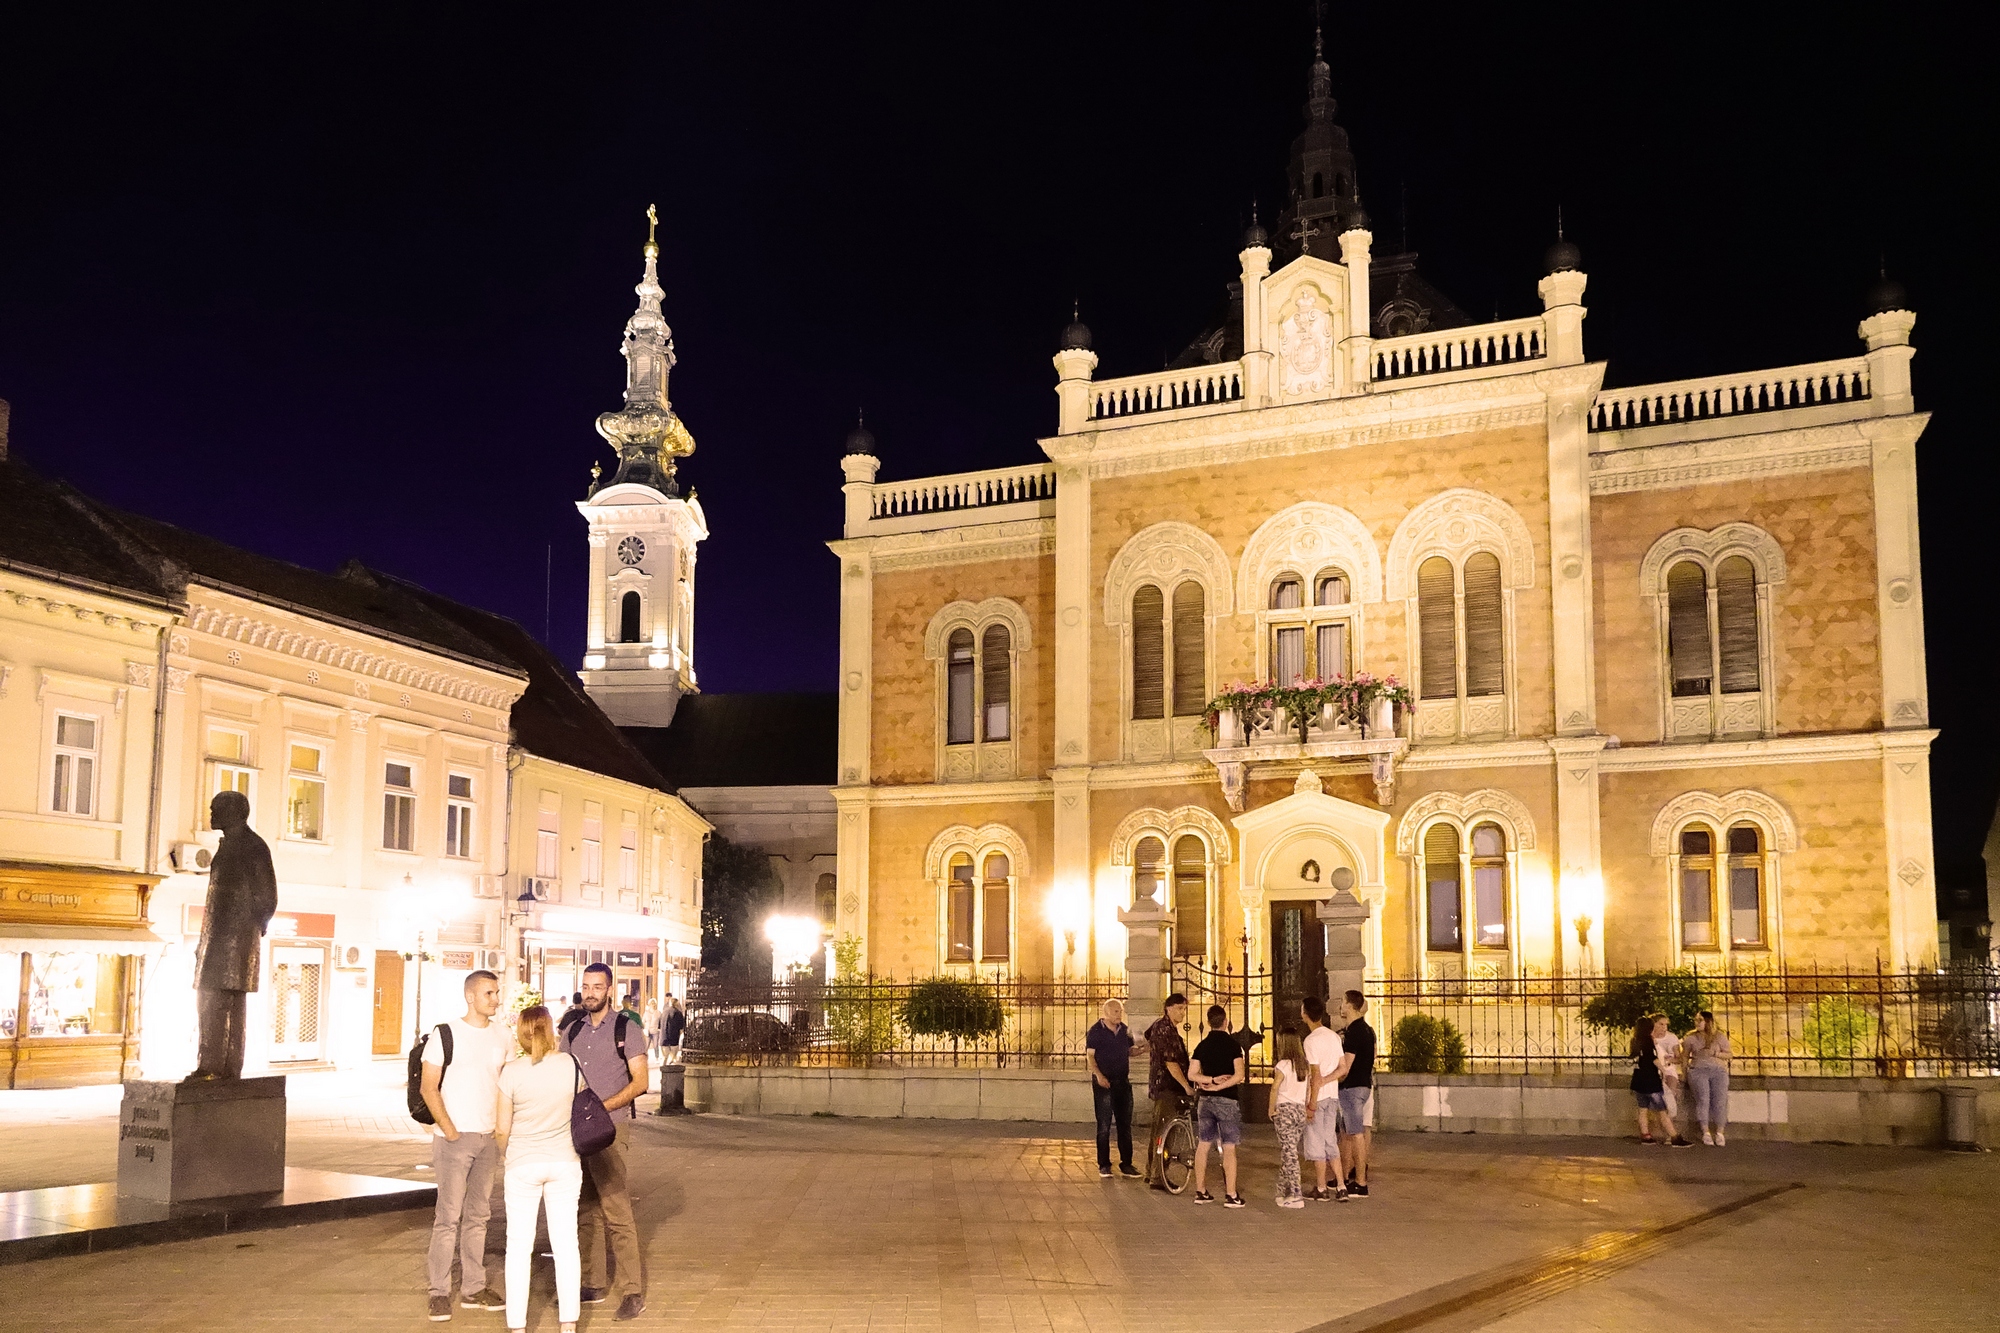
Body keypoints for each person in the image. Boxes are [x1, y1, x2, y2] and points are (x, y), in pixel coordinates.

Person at [558, 962, 651, 1320]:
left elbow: (639, 1082)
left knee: (616, 1210)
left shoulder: (627, 1028)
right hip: (575, 1129)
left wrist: (601, 1108)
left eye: (597, 987)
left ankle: (632, 1290)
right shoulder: (572, 1029)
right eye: (586, 986)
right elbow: (558, 1071)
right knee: (584, 1207)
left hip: (609, 1129)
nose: (590, 993)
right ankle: (593, 1282)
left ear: (609, 989)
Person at [419, 969, 511, 1322]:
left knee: (479, 1216)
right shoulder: (446, 1034)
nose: (496, 999)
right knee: (448, 1217)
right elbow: (430, 1087)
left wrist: (502, 1135)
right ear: (470, 996)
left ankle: (473, 1287)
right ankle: (438, 1291)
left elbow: (507, 1088)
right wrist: (449, 1130)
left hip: (488, 1138)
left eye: (497, 992)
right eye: (489, 993)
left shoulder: (503, 1037)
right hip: (454, 1139)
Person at [496, 1005, 581, 1333]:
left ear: (522, 1031)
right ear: (550, 1030)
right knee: (565, 1244)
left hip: (522, 1164)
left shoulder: (511, 1072)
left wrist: (506, 1155)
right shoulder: (571, 1066)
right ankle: (568, 1325)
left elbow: (502, 1128)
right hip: (564, 1162)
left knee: (518, 1246)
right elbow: (580, 1110)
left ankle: (517, 1326)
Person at [190, 789, 278, 1079]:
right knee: (211, 1000)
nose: (211, 813)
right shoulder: (228, 846)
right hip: (218, 939)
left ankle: (218, 1067)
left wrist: (251, 931)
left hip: (234, 941)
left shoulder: (252, 846)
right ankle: (217, 1066)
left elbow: (267, 895)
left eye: (216, 808)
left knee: (222, 1001)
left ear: (235, 812)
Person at [1188, 1004, 1247, 1208]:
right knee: (1229, 1146)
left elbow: (1192, 1074)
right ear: (1225, 1021)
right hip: (1227, 1101)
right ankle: (1231, 1195)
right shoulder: (1233, 1045)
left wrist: (1210, 1081)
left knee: (1203, 1144)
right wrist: (1221, 1085)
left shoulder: (1202, 1046)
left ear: (1208, 1022)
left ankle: (1200, 1191)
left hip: (1205, 1101)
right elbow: (1239, 1075)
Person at [1300, 995, 1350, 1202]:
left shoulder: (1311, 1040)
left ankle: (1321, 1188)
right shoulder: (1333, 1037)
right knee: (1330, 1139)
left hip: (1318, 1097)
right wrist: (1329, 1080)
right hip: (1332, 1096)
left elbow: (1314, 1074)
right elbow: (1343, 1068)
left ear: (1305, 1014)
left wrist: (1311, 1103)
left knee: (1315, 1142)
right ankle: (1340, 1185)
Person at [1141, 994, 1192, 1188]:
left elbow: (1148, 1037)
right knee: (1165, 1132)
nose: (1182, 1013)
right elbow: (1171, 1063)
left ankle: (1151, 1171)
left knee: (1159, 1131)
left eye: (1184, 1009)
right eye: (1179, 1008)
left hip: (1163, 1085)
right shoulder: (1165, 1030)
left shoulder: (1160, 1027)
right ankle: (1158, 1176)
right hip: (1167, 1086)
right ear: (1168, 1008)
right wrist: (1186, 1086)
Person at [1084, 998, 1139, 1178]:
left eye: (1120, 1011)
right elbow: (1090, 1057)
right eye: (1116, 1011)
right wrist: (1099, 1075)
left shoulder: (1124, 1030)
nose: (1119, 1015)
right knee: (1104, 1125)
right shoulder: (1096, 1032)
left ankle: (1127, 1163)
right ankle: (1104, 1164)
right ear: (1106, 1013)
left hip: (1122, 1081)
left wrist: (1143, 1049)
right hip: (1104, 1083)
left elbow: (1129, 1050)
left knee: (1125, 1124)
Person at [1336, 990, 1376, 1197]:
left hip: (1352, 1088)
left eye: (1343, 1002)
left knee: (1355, 1133)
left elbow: (1346, 1067)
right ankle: (1351, 1177)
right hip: (1364, 1085)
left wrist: (1328, 1079)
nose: (1341, 1006)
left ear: (1350, 1006)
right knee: (1352, 1133)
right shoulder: (1367, 1030)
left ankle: (1360, 1182)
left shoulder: (1353, 1032)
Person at [1269, 1026, 1310, 1209]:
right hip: (1299, 1110)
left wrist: (1271, 1108)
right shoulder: (1304, 1065)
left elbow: (1275, 1087)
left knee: (1290, 1153)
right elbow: (1308, 1088)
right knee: (1289, 1151)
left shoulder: (1282, 1065)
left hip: (1284, 1110)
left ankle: (1295, 1193)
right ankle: (1281, 1191)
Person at [1684, 1010, 1733, 1145]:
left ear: (1708, 1021)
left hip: (1718, 1071)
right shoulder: (1691, 1038)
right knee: (1703, 1100)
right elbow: (1685, 1057)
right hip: (1698, 1071)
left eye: (1700, 1020)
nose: (1697, 1023)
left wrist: (1716, 1053)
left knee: (1720, 1100)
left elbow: (1729, 1055)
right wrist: (1684, 1074)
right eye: (1695, 1020)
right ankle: (1705, 1132)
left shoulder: (1719, 1036)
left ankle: (1720, 1132)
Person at [1652, 1014, 1693, 1147]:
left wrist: (1670, 1060)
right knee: (1659, 1104)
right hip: (1654, 1072)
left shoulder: (1671, 1037)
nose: (1664, 1027)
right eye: (1661, 1024)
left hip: (1669, 1070)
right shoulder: (1649, 1038)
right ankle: (1669, 1133)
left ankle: (1670, 1134)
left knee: (1669, 1099)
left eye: (1666, 1024)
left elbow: (1679, 1057)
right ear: (1654, 1024)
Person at [1630, 1016, 1673, 1144]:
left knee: (1642, 1109)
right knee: (1662, 1110)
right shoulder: (1647, 1041)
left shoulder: (1635, 1040)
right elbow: (1652, 1058)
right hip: (1650, 1080)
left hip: (1638, 1079)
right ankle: (1674, 1136)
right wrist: (1664, 1071)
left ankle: (1645, 1135)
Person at [662, 998, 687, 1064]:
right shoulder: (678, 1013)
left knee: (665, 1057)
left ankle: (663, 1071)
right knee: (673, 1057)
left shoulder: (664, 1012)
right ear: (676, 1004)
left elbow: (660, 1025)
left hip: (663, 1037)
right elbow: (681, 1027)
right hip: (674, 1037)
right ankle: (671, 1069)